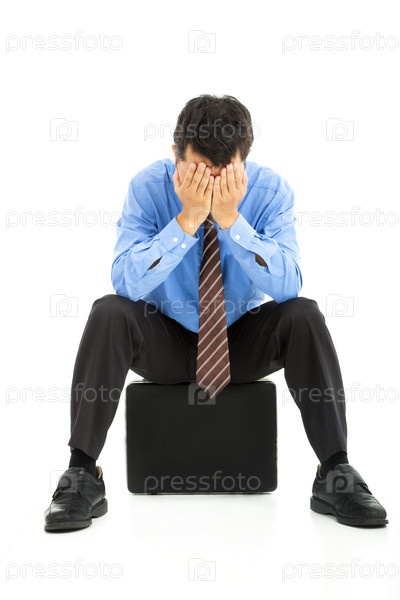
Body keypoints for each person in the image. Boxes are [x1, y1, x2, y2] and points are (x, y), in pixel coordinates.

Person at [44, 94, 388, 531]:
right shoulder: (147, 188)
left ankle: (335, 471)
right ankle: (81, 473)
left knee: (304, 315)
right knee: (109, 312)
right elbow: (125, 282)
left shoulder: (270, 191)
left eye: (225, 174)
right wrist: (186, 221)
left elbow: (288, 285)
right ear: (176, 154)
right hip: (165, 341)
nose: (210, 186)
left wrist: (232, 223)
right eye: (198, 171)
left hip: (238, 340)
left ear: (245, 158)